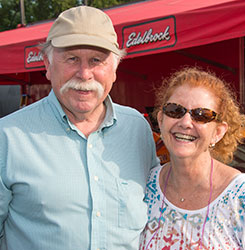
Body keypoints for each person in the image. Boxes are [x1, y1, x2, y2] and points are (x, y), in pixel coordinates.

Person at [0, 6, 159, 250]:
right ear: (47, 64)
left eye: (97, 60)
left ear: (115, 69)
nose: (84, 74)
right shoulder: (8, 137)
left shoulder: (138, 129)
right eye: (72, 58)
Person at [139, 67, 245, 250]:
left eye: (201, 115)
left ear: (218, 132)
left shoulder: (243, 198)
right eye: (175, 110)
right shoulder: (144, 186)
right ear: (160, 120)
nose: (185, 122)